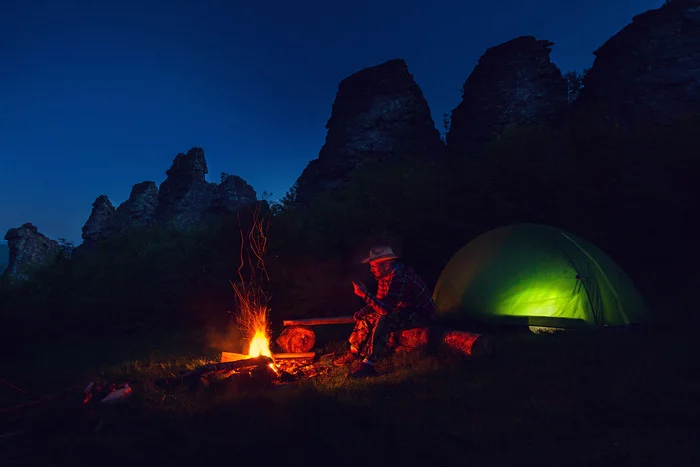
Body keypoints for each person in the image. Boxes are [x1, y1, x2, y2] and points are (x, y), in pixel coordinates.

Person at [334, 245, 437, 378]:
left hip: (422, 314)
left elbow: (385, 310)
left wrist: (364, 294)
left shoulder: (400, 277)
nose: (371, 270)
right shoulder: (383, 277)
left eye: (374, 266)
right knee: (366, 317)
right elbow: (381, 301)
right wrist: (364, 311)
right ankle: (353, 352)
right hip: (403, 309)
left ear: (386, 265)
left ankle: (368, 364)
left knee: (386, 320)